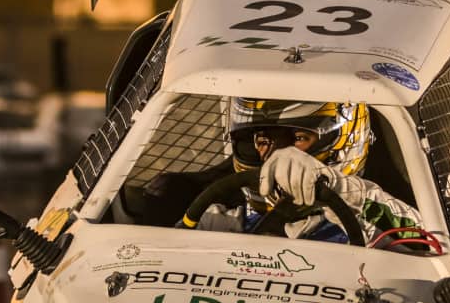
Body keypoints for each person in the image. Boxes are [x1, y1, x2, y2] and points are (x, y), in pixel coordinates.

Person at [175, 98, 422, 242]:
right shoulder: (215, 225)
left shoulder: (372, 230)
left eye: (298, 139)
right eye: (262, 142)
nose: (275, 158)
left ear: (346, 140)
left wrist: (341, 189)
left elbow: (430, 245)